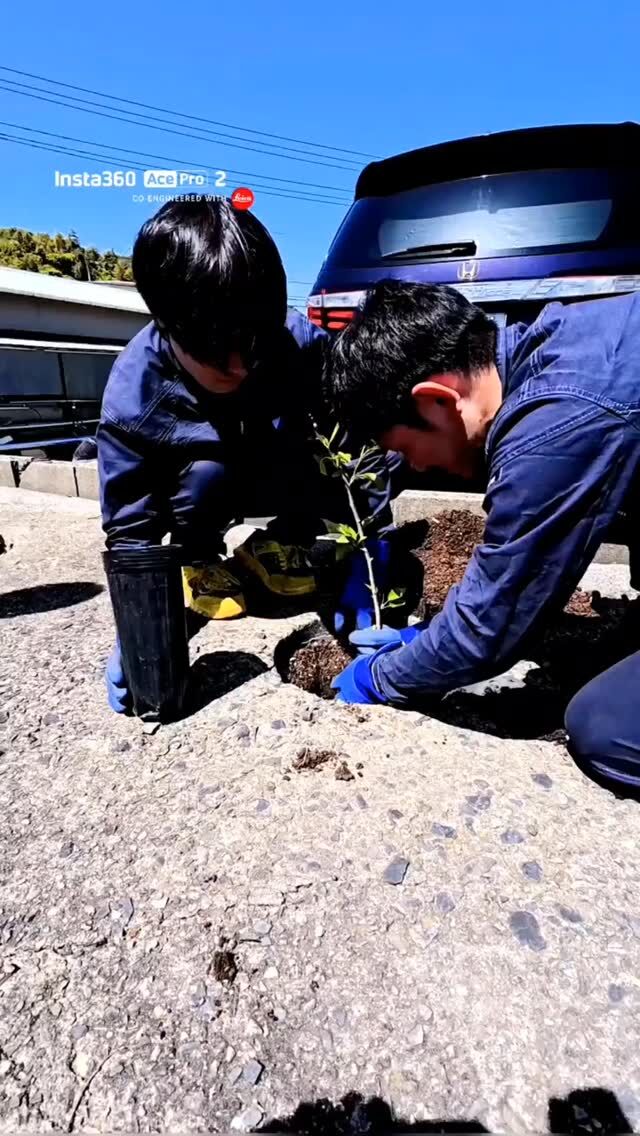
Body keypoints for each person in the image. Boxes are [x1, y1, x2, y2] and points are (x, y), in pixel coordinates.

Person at [327, 280, 640, 798]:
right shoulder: (561, 341)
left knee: (606, 729)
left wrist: (380, 678)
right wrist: (427, 643)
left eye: (404, 447)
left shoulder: (557, 424)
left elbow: (486, 631)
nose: (415, 466)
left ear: (436, 401)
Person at [97, 196, 391, 713]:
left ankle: (284, 542)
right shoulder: (134, 398)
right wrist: (143, 630)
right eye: (217, 352)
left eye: (254, 344)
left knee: (384, 445)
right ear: (166, 323)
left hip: (280, 463)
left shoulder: (301, 346)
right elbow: (131, 533)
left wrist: (371, 564)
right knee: (205, 476)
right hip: (206, 485)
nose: (241, 366)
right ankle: (200, 560)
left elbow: (362, 455)